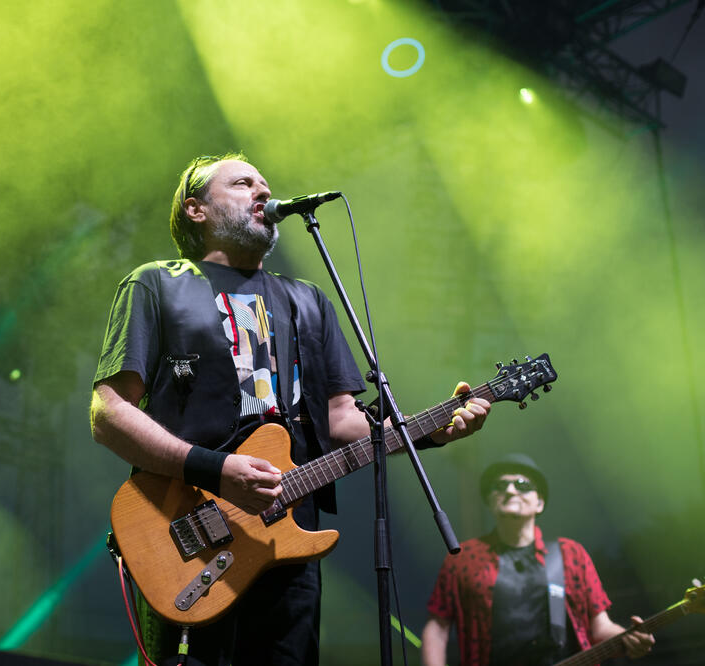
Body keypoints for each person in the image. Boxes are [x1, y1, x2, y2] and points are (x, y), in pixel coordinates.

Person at [90, 153, 491, 666]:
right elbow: (108, 412)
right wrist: (218, 469)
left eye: (265, 183)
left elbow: (343, 420)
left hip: (286, 538)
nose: (262, 191)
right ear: (196, 210)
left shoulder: (307, 301)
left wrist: (434, 430)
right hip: (186, 532)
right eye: (242, 183)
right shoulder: (157, 285)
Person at [421, 453, 655, 666]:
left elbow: (600, 626)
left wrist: (629, 639)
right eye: (500, 485)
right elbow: (437, 628)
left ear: (539, 502)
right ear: (489, 500)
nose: (511, 491)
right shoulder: (462, 558)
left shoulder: (570, 553)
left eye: (522, 485)